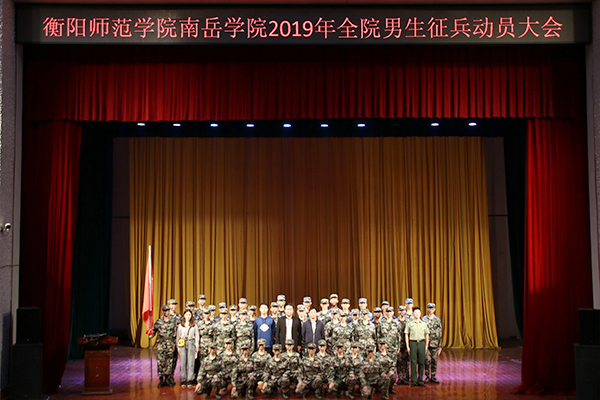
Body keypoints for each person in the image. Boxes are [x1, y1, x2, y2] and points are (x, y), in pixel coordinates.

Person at [149, 305, 178, 388]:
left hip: (170, 344)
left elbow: (175, 334)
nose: (167, 312)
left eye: (168, 311)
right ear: (162, 312)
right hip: (162, 344)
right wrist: (151, 335)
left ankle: (167, 378)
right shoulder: (159, 322)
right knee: (161, 362)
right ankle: (161, 379)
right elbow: (154, 330)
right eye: (165, 311)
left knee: (169, 362)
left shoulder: (173, 322)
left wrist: (174, 344)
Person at [404, 307, 429, 387]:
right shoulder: (409, 323)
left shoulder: (424, 324)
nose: (417, 314)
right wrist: (408, 346)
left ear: (420, 313)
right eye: (415, 312)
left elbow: (427, 335)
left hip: (421, 343)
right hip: (413, 343)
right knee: (413, 362)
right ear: (413, 313)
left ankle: (420, 379)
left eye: (418, 312)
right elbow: (406, 334)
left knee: (421, 362)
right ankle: (414, 381)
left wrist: (426, 346)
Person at [176, 309, 200, 387]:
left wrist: (197, 346)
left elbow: (197, 336)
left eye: (189, 315)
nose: (188, 316)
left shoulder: (194, 325)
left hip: (191, 343)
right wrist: (178, 347)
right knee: (183, 362)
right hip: (182, 344)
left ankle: (190, 379)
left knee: (191, 362)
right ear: (184, 315)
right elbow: (178, 336)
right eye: (187, 315)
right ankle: (183, 379)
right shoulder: (180, 325)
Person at [422, 303, 442, 384]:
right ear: (427, 309)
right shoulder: (424, 319)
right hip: (426, 344)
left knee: (434, 361)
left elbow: (440, 333)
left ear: (434, 309)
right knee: (427, 361)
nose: (430, 310)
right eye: (429, 308)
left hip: (435, 344)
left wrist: (440, 346)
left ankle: (433, 376)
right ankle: (427, 376)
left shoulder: (437, 320)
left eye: (432, 308)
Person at [396, 305, 409, 385]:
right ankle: (399, 378)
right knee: (399, 361)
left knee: (405, 362)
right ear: (398, 311)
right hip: (398, 345)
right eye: (400, 310)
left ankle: (404, 378)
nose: (402, 312)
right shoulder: (395, 322)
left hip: (406, 345)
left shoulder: (408, 322)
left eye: (403, 310)